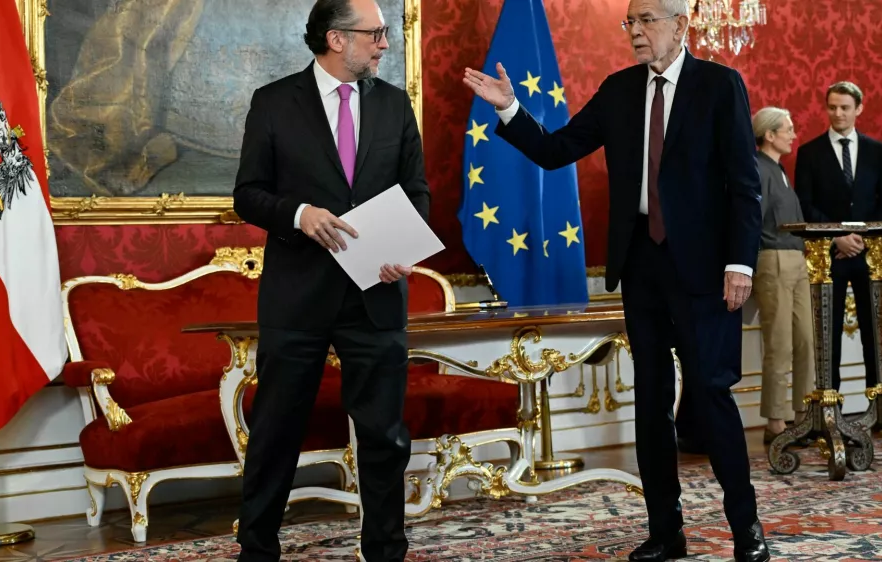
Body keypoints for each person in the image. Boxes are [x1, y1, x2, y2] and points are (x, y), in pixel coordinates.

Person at [462, 0, 769, 560]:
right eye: (629, 21)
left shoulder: (721, 85)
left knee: (711, 396)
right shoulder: (619, 89)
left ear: (680, 24)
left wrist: (740, 263)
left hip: (705, 271)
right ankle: (665, 532)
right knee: (650, 403)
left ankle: (746, 529)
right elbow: (557, 152)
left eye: (646, 19)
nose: (634, 31)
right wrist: (509, 110)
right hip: (641, 268)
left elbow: (745, 184)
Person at [231, 0, 430, 559]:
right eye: (375, 34)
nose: (384, 44)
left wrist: (404, 250)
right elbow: (247, 194)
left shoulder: (394, 104)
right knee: (275, 432)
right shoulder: (273, 103)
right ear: (337, 39)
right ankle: (257, 550)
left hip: (378, 292)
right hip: (298, 296)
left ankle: (386, 550)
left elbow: (415, 190)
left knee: (385, 437)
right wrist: (300, 215)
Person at [794, 81, 882, 393]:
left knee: (875, 331)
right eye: (832, 107)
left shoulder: (877, 151)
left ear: (858, 109)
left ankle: (878, 402)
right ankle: (831, 404)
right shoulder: (809, 152)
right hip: (828, 257)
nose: (837, 113)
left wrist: (861, 237)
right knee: (828, 333)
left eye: (844, 107)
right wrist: (838, 236)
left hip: (870, 256)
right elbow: (804, 202)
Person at [750, 107, 814, 443]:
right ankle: (775, 422)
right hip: (772, 260)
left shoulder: (781, 169)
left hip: (796, 258)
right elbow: (751, 220)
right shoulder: (758, 168)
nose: (793, 134)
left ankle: (804, 414)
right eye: (787, 129)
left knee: (805, 339)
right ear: (770, 135)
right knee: (779, 343)